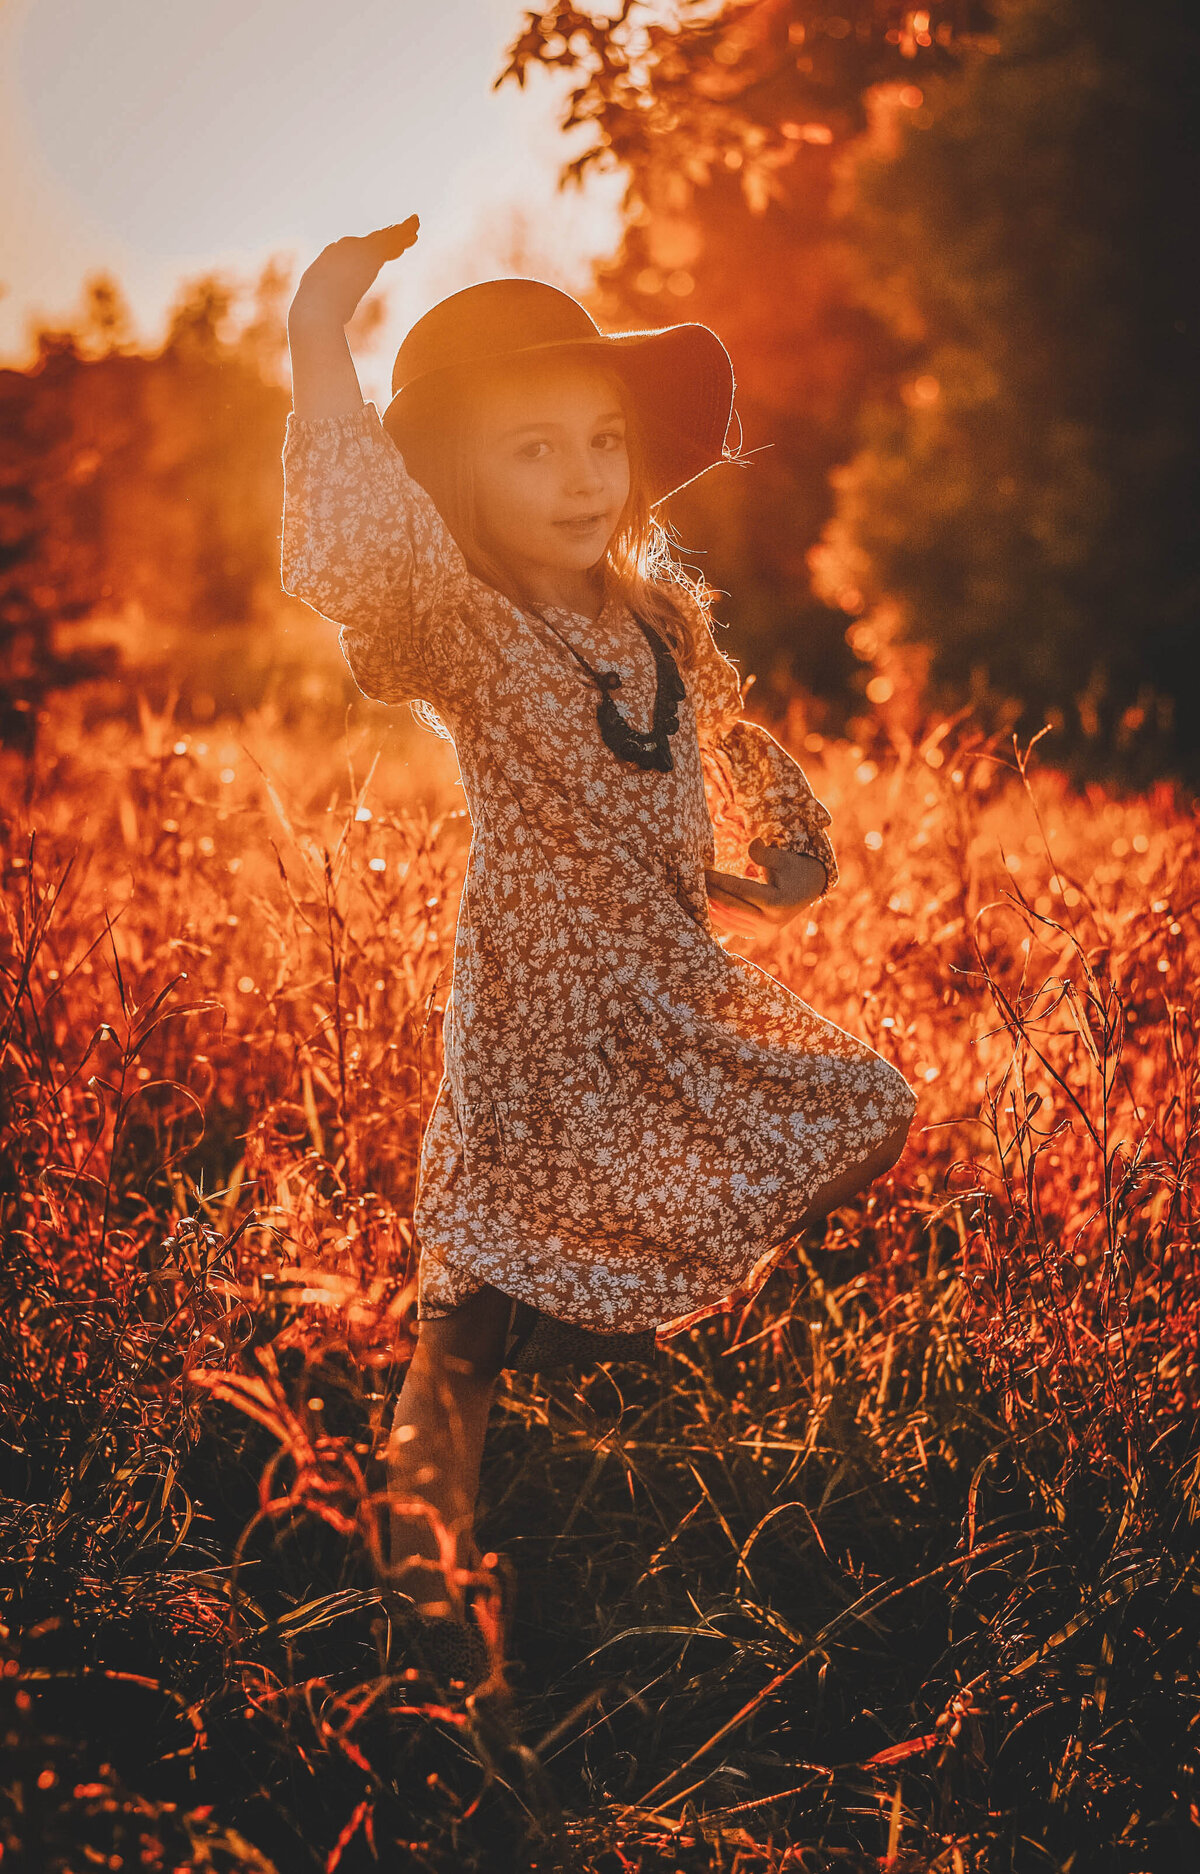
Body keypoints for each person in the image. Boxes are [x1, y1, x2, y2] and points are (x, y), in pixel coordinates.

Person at [281, 217, 917, 1683]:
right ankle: (420, 1594)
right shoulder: (464, 622)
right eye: (531, 451)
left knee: (865, 1105)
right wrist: (324, 327)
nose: (580, 480)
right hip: (538, 1006)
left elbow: (711, 740)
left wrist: (769, 855)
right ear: (456, 478)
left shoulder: (652, 617)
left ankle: (594, 1307)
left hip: (666, 976)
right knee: (462, 1334)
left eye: (600, 443)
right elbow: (363, 531)